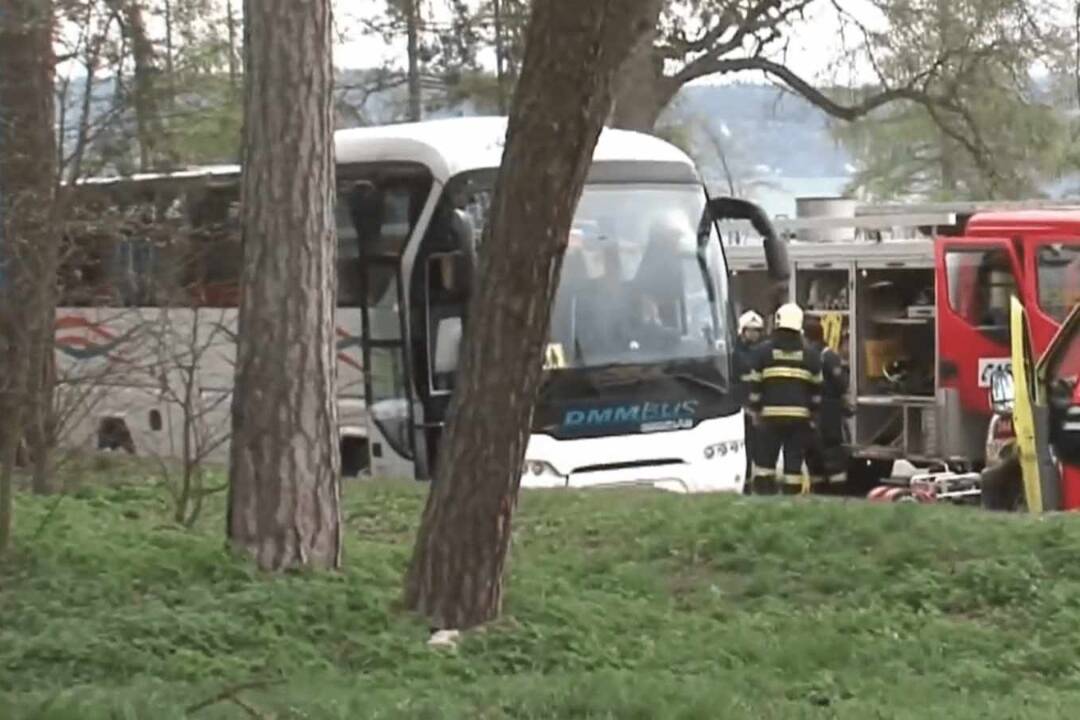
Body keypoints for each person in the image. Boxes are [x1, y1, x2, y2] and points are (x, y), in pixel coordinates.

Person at [747, 303, 823, 495]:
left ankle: (764, 498)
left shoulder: (762, 352)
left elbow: (755, 385)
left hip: (769, 417)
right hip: (799, 419)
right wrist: (813, 415)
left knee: (765, 463)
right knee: (793, 464)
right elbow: (817, 390)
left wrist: (755, 410)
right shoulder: (811, 356)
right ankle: (791, 500)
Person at [803, 318, 851, 493]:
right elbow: (841, 383)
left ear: (807, 337)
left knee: (814, 451)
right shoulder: (828, 356)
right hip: (829, 410)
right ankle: (837, 490)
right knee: (832, 450)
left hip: (811, 410)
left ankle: (819, 488)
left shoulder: (807, 356)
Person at [735, 310, 765, 491]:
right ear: (742, 331)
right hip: (743, 409)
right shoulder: (736, 354)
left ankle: (760, 485)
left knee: (761, 450)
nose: (754, 334)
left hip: (760, 407)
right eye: (750, 330)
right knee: (746, 448)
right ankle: (745, 484)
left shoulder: (762, 351)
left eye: (757, 330)